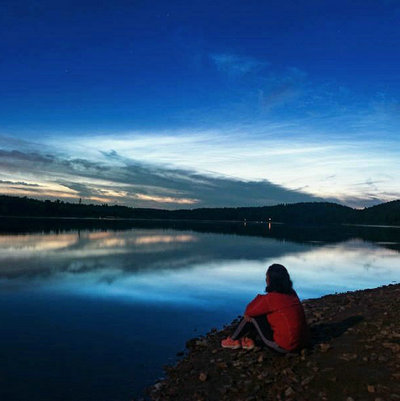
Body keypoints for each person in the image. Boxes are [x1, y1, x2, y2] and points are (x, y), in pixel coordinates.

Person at [221, 263, 308, 353]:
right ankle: (249, 339)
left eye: (267, 277)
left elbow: (249, 311)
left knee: (253, 317)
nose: (266, 279)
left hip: (284, 347)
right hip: (302, 342)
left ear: (271, 280)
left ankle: (232, 339)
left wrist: (260, 298)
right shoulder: (291, 293)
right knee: (264, 313)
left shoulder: (272, 298)